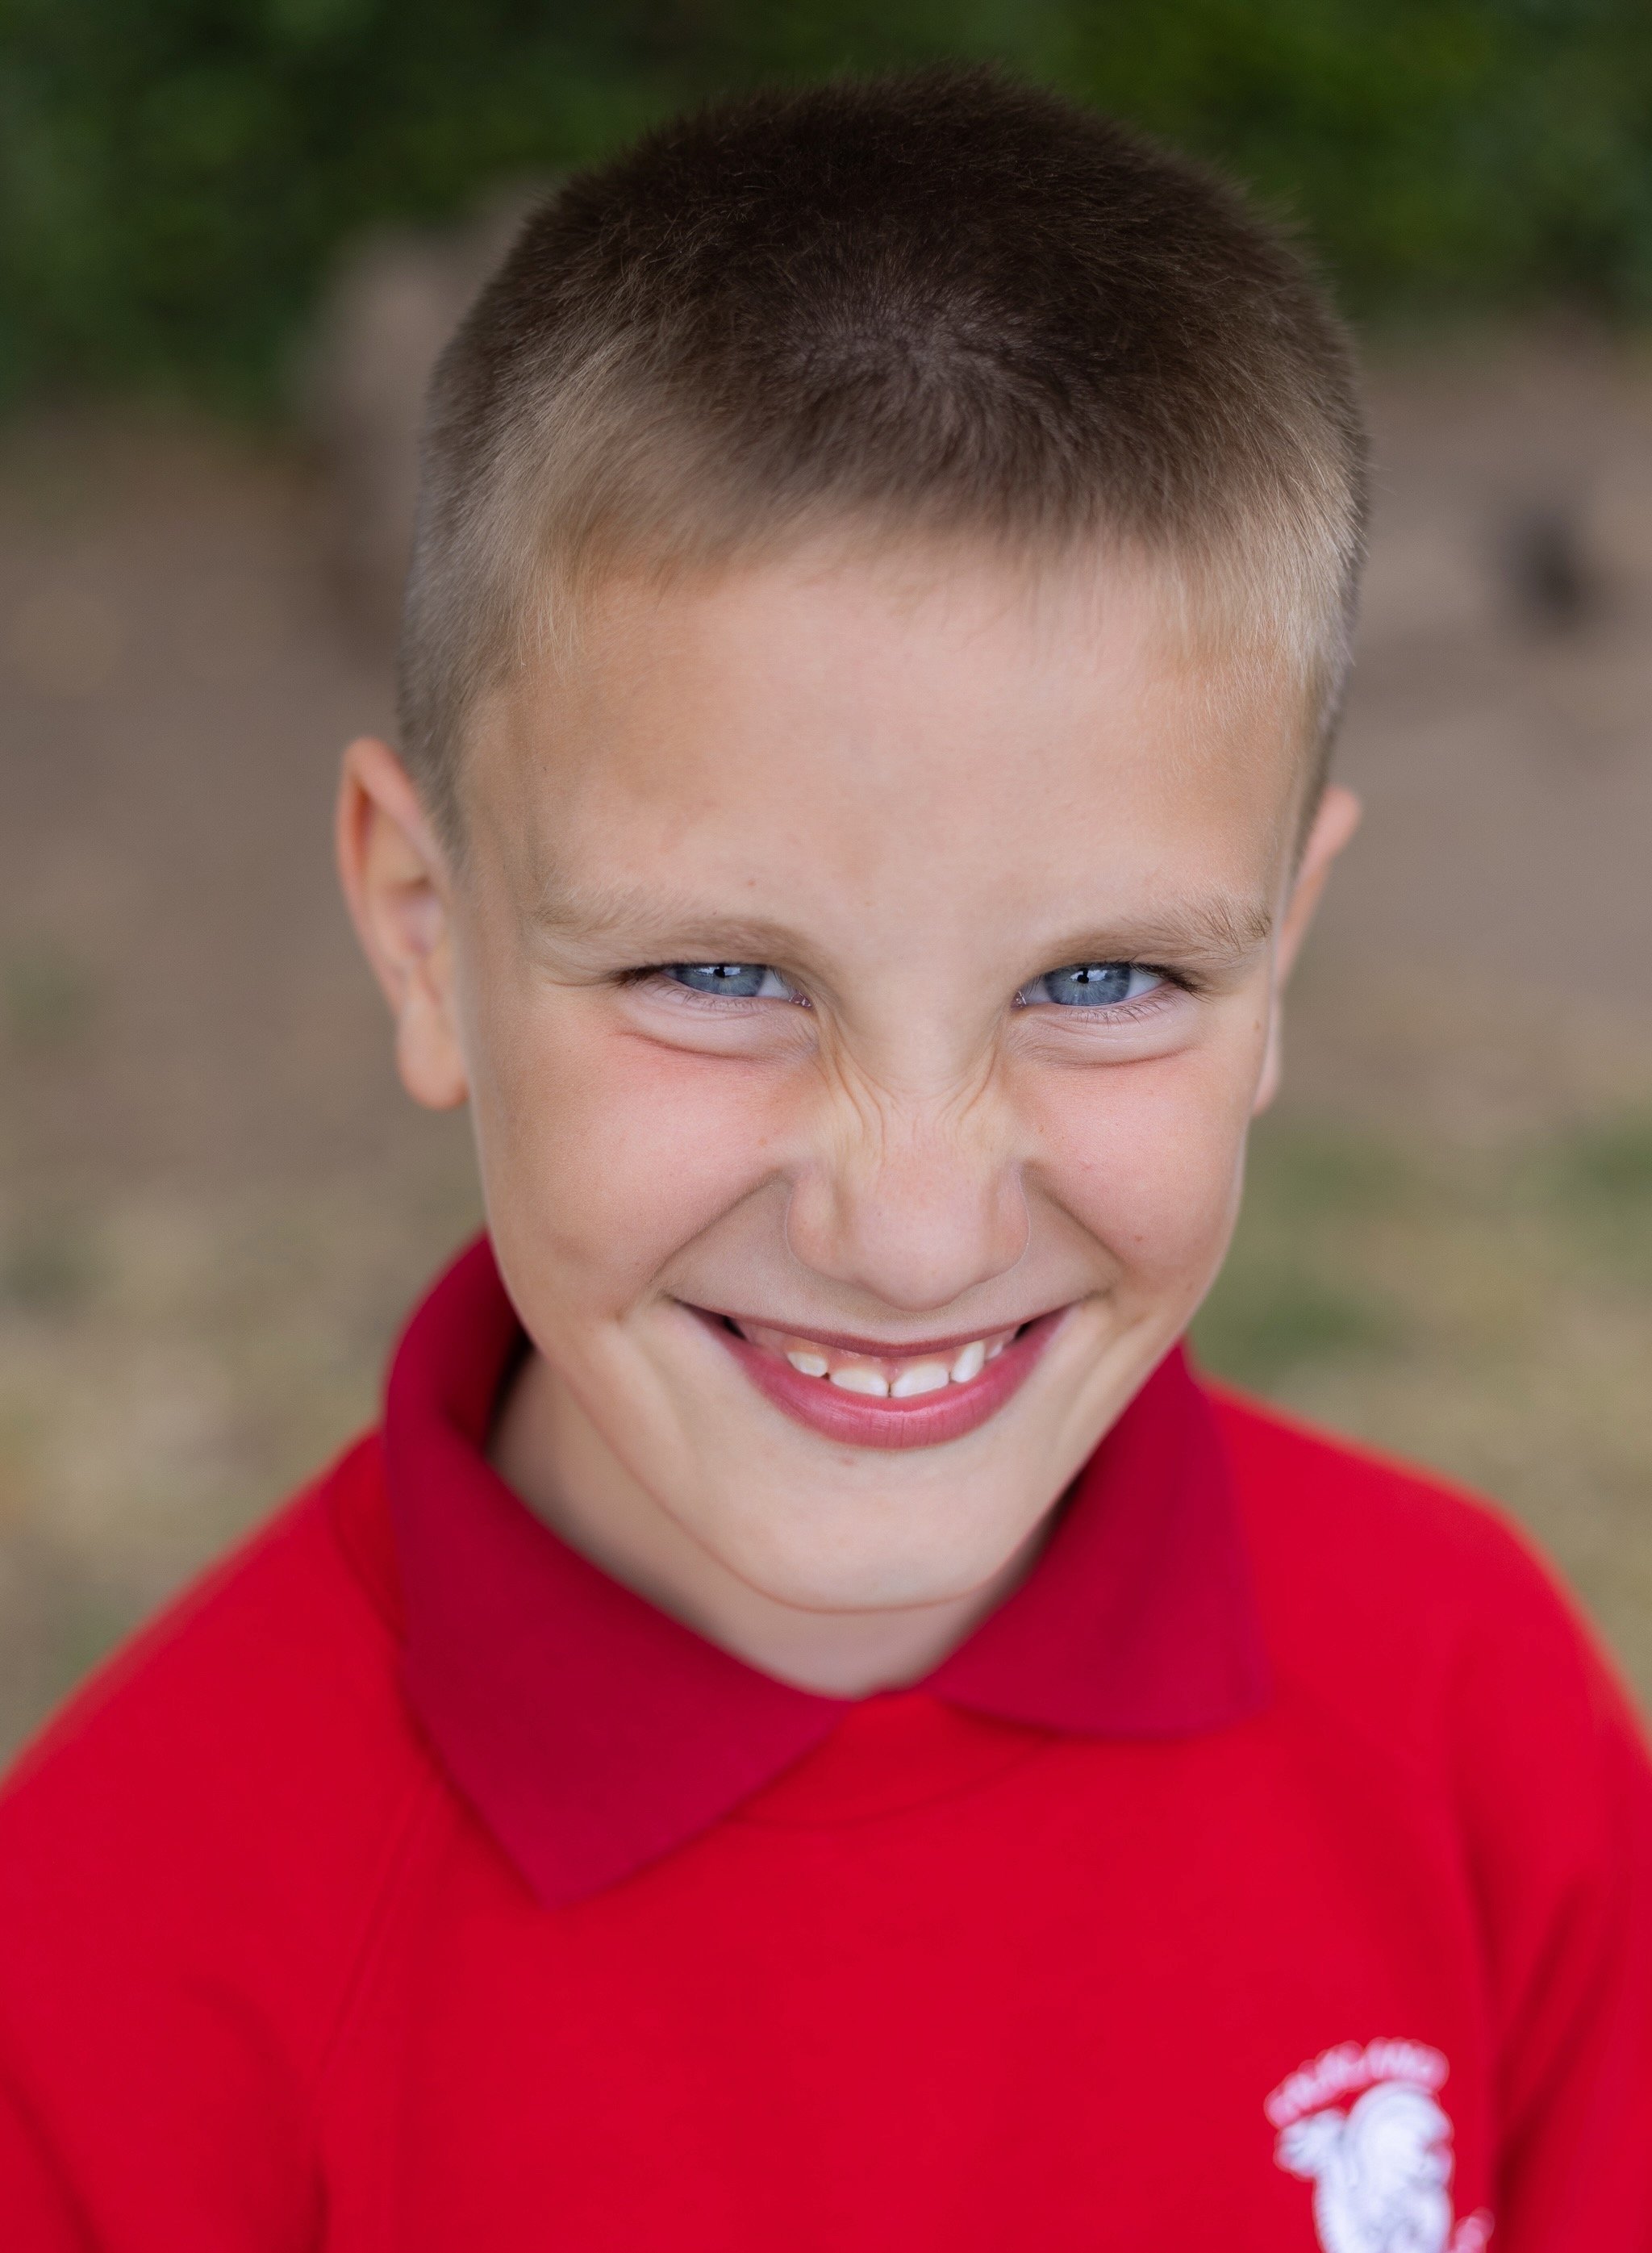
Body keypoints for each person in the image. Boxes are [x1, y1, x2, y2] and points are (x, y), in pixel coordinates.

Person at [1, 69, 1648, 2252]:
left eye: (1099, 982)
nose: (911, 1221)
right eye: (714, 969)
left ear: (1286, 962)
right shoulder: (117, 1950)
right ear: (425, 931)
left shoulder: (1473, 1719)